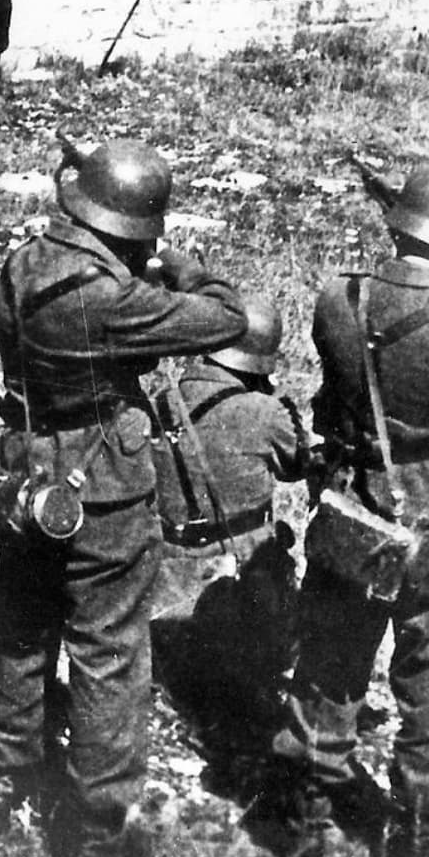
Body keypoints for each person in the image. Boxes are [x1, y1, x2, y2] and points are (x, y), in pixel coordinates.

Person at [0, 139, 247, 857]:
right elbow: (223, 320)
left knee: (23, 624)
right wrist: (183, 264)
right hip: (103, 482)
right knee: (110, 649)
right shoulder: (109, 298)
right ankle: (100, 828)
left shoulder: (25, 264)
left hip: (31, 468)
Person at [259, 166, 429, 857]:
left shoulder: (339, 299)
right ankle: (424, 836)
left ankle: (302, 822)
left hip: (357, 505)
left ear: (397, 227)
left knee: (330, 663)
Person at [147, 297, 308, 775]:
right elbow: (298, 465)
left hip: (166, 580)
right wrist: (282, 405)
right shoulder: (262, 412)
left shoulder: (160, 400)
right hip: (239, 581)